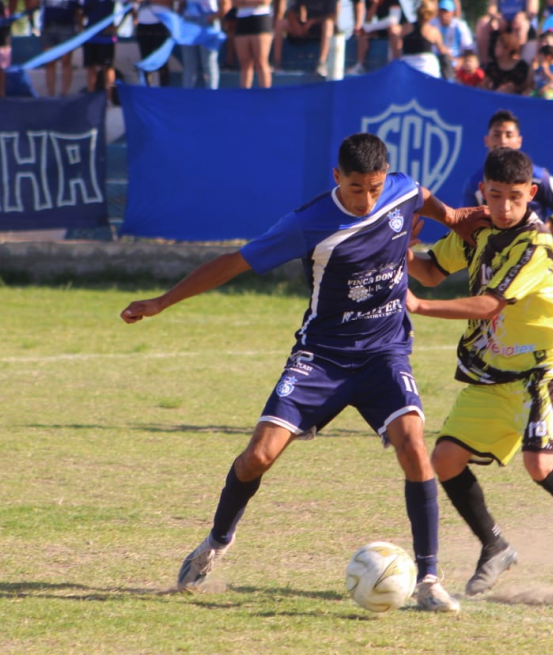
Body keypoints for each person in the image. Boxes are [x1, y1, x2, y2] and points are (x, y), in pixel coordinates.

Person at [119, 133, 488, 613]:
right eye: (356, 188)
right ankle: (215, 542)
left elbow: (420, 194)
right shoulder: (307, 223)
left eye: (374, 188)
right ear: (336, 177)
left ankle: (430, 580)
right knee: (258, 456)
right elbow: (233, 262)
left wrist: (453, 217)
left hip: (384, 353)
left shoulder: (400, 190)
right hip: (322, 357)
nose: (367, 199)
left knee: (414, 445)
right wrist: (162, 301)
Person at [404, 147, 553, 601]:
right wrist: (398, 249)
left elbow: (489, 305)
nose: (504, 207)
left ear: (532, 194)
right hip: (495, 364)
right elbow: (429, 271)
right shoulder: (477, 229)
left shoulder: (535, 244)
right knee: (444, 459)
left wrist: (420, 308)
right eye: (496, 195)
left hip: (544, 362)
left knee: (539, 464)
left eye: (515, 197)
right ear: (483, 190)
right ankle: (495, 546)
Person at [462, 110, 553, 290]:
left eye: (509, 135)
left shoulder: (539, 177)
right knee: (492, 305)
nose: (503, 141)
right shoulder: (475, 182)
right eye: (497, 134)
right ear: (486, 140)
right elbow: (465, 224)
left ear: (519, 141)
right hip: (494, 262)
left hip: (531, 258)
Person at [275, 0, 336, 78]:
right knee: (280, 23)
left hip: (321, 28)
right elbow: (292, 11)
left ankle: (322, 63)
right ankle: (277, 63)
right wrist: (296, 25)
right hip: (306, 28)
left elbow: (332, 16)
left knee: (328, 24)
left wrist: (313, 21)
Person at [81, 0, 128, 99]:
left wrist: (117, 27)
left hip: (106, 37)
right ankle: (90, 98)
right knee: (90, 66)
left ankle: (109, 99)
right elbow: (82, 10)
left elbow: (128, 6)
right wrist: (81, 27)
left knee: (107, 66)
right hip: (90, 35)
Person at [474, 0, 537, 64]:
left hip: (521, 25)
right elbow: (491, 10)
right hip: (503, 24)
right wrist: (497, 17)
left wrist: (522, 15)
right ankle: (484, 62)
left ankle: (516, 61)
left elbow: (532, 11)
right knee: (483, 22)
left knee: (521, 25)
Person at [349, 0, 402, 76]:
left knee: (393, 29)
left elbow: (394, 20)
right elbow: (367, 21)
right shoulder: (368, 0)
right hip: (381, 28)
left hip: (397, 27)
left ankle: (396, 62)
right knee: (363, 34)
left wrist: (370, 27)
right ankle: (360, 65)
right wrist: (374, 5)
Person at [130, 0, 177, 87]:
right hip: (143, 22)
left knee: (161, 58)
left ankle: (163, 89)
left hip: (161, 23)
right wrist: (135, 2)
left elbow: (169, 1)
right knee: (145, 58)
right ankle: (146, 88)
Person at [40, 0, 81, 97]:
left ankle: (64, 93)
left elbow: (78, 10)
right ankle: (50, 94)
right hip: (48, 28)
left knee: (66, 61)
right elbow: (40, 6)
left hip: (66, 27)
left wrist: (80, 27)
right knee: (49, 61)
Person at [231, 0, 272, 88]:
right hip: (243, 20)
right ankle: (245, 92)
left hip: (260, 21)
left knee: (261, 61)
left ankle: (265, 93)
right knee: (245, 62)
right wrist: (252, 1)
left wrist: (244, 0)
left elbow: (265, 0)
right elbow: (234, 1)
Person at [398, 0, 443, 79]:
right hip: (427, 69)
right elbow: (442, 51)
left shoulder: (405, 27)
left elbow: (398, 48)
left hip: (407, 68)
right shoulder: (433, 31)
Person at [430, 0, 472, 74]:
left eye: (446, 12)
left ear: (452, 12)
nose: (443, 15)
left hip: (455, 61)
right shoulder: (432, 24)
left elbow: (468, 48)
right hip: (435, 61)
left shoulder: (460, 26)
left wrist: (461, 61)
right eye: (441, 11)